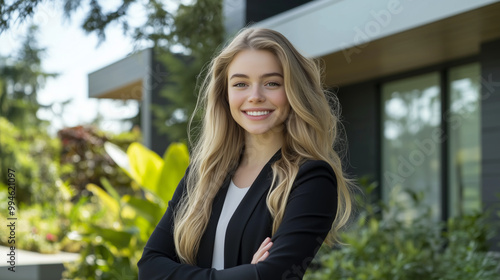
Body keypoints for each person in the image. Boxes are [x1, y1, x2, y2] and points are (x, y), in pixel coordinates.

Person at [138, 27, 356, 280]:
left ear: (294, 91)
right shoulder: (203, 174)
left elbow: (273, 275)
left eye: (272, 83)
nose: (255, 97)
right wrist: (244, 273)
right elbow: (149, 266)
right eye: (241, 84)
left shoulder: (311, 178)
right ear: (225, 94)